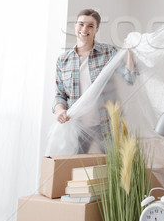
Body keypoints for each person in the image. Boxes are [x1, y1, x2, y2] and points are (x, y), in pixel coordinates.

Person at [53, 8, 136, 153]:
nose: (84, 29)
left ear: (96, 29)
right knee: (76, 169)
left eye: (90, 26)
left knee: (111, 168)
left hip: (107, 124)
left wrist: (130, 52)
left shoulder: (108, 52)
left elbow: (129, 78)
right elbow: (60, 95)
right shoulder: (63, 60)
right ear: (75, 25)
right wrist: (59, 110)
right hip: (77, 126)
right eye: (81, 24)